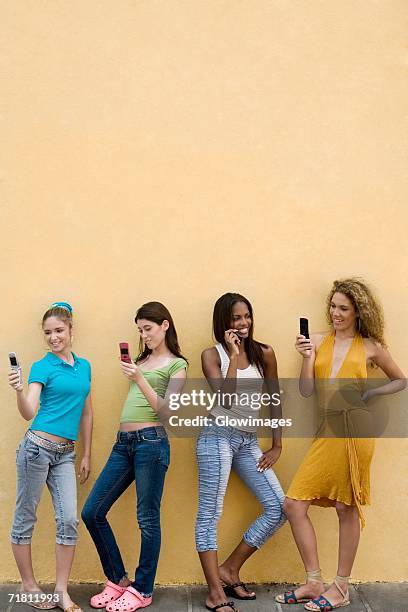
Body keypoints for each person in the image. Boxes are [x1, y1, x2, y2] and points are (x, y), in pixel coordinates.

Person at [276, 278, 406, 611]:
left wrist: (372, 393)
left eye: (343, 308)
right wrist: (306, 356)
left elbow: (400, 379)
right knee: (294, 504)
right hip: (327, 431)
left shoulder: (372, 346)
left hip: (355, 430)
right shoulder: (318, 340)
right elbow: (306, 390)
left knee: (345, 508)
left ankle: (341, 588)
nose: (335, 313)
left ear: (358, 311)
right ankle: (315, 580)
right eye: (332, 306)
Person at [82, 302, 187, 612]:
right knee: (93, 511)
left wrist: (140, 378)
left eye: (148, 329)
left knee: (147, 519)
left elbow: (167, 412)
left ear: (165, 325)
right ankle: (117, 580)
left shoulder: (177, 365)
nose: (144, 335)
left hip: (151, 444)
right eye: (140, 330)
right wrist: (138, 370)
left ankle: (143, 590)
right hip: (123, 443)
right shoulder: (141, 359)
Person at [196, 292, 286, 612]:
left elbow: (274, 398)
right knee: (210, 514)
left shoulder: (265, 353)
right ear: (224, 322)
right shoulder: (211, 355)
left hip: (248, 442)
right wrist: (233, 356)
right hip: (216, 438)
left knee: (279, 507)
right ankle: (214, 593)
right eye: (236, 318)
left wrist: (276, 444)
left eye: (246, 316)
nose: (243, 323)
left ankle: (229, 569)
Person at [8, 302, 93, 612]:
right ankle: (29, 586)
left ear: (71, 330)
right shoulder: (41, 366)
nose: (54, 337)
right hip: (36, 449)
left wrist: (86, 452)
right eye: (48, 333)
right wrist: (19, 391)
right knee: (25, 517)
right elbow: (29, 411)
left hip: (66, 455)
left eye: (59, 331)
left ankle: (60, 591)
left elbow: (86, 411)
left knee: (69, 519)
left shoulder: (84, 366)